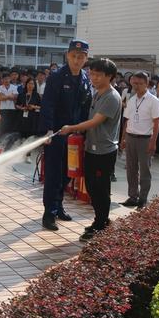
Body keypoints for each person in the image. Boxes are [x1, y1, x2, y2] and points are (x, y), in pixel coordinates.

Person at [60, 58, 121, 242]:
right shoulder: (98, 93)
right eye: (92, 73)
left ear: (109, 76)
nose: (93, 77)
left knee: (101, 189)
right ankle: (101, 220)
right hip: (92, 149)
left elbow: (96, 121)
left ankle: (101, 224)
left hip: (104, 151)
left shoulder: (111, 97)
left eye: (97, 74)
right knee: (93, 189)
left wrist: (72, 127)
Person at [39, 39, 92, 231]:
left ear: (86, 58)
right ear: (67, 55)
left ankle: (59, 205)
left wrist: (84, 130)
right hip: (57, 132)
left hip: (75, 135)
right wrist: (48, 130)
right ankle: (49, 214)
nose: (77, 60)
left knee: (67, 172)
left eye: (81, 57)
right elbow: (48, 104)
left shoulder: (85, 79)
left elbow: (86, 106)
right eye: (73, 56)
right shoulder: (57, 77)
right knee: (54, 173)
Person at [120, 71, 159, 209]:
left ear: (147, 84)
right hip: (131, 137)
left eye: (140, 83)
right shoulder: (131, 100)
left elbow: (157, 123)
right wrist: (123, 138)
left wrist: (153, 141)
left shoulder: (154, 101)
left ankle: (143, 199)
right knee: (131, 169)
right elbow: (127, 121)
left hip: (145, 139)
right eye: (134, 83)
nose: (136, 86)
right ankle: (133, 196)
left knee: (144, 170)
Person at [16, 77, 41, 163]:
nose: (31, 85)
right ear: (26, 84)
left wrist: (33, 107)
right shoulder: (21, 94)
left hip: (32, 118)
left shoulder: (36, 95)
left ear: (34, 85)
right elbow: (17, 105)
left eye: (32, 84)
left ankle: (28, 155)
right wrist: (22, 108)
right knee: (22, 137)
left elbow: (40, 106)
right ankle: (21, 154)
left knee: (30, 137)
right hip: (22, 118)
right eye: (29, 83)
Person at [0, 72, 19, 137]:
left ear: (10, 79)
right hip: (2, 109)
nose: (6, 80)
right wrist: (10, 96)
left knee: (11, 126)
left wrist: (5, 96)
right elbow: (0, 98)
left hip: (12, 109)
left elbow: (15, 97)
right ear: (2, 80)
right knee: (3, 126)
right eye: (4, 79)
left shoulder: (14, 87)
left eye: (7, 79)